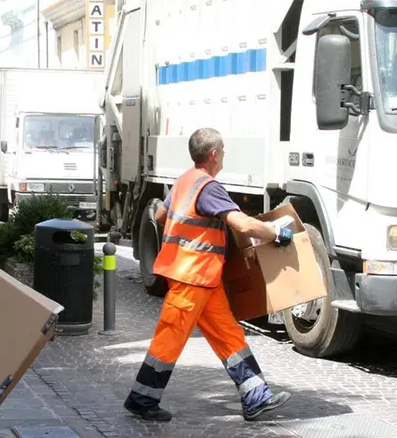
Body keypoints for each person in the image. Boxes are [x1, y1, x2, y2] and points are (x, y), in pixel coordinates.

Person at [124, 128, 293, 423]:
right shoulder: (209, 187)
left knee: (228, 334)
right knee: (170, 339)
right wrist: (276, 232)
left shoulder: (184, 181)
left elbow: (162, 217)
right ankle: (142, 399)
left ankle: (256, 395)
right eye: (224, 150)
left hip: (202, 279)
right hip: (192, 278)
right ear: (214, 154)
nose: (224, 154)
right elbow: (241, 224)